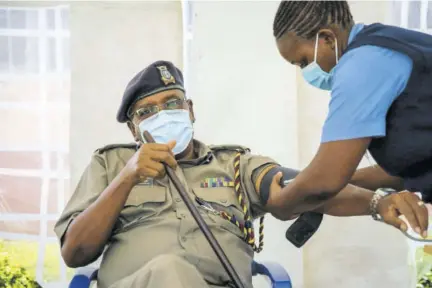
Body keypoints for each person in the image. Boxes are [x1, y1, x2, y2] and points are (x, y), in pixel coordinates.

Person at [55, 60, 426, 288]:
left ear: (190, 110)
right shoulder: (111, 166)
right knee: (170, 271)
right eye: (147, 111)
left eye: (172, 103)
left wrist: (378, 203)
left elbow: (295, 190)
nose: (163, 114)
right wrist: (128, 178)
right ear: (134, 130)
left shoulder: (234, 164)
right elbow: (76, 253)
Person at [270, 0, 431, 237]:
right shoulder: (386, 42)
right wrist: (310, 185)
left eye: (303, 61)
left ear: (327, 38)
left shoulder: (361, 65)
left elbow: (326, 178)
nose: (304, 71)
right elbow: (413, 163)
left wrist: (281, 204)